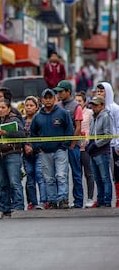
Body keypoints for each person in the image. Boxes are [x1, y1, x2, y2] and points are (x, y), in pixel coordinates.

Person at [30, 89, 74, 209]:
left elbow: (69, 130)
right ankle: (52, 201)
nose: (48, 100)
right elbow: (32, 134)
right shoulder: (37, 117)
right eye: (46, 98)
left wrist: (64, 145)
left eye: (50, 97)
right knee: (48, 178)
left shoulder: (63, 113)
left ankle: (63, 199)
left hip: (60, 151)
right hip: (44, 152)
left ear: (54, 99)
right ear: (42, 100)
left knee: (61, 175)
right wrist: (38, 147)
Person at [0, 99, 26, 215]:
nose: (0, 110)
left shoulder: (14, 120)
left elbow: (22, 134)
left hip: (12, 154)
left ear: (9, 109)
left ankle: (18, 206)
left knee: (15, 182)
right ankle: (4, 206)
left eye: (3, 107)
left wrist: (7, 133)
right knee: (2, 183)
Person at [54, 80, 84, 208]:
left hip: (73, 146)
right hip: (60, 146)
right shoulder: (58, 106)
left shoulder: (76, 106)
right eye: (58, 92)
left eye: (61, 91)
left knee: (76, 174)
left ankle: (78, 201)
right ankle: (62, 199)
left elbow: (78, 127)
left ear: (68, 92)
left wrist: (72, 143)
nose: (59, 94)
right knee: (61, 174)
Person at [86, 96, 113, 207]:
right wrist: (89, 144)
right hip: (93, 151)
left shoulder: (106, 116)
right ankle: (100, 199)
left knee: (105, 177)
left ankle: (107, 201)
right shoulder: (93, 117)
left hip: (102, 151)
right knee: (97, 178)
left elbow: (108, 135)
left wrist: (96, 144)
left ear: (102, 105)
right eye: (93, 105)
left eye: (96, 105)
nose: (94, 107)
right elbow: (92, 132)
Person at [96, 82, 119, 207]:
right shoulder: (97, 109)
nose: (99, 94)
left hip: (113, 146)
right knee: (103, 175)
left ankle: (117, 198)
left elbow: (118, 126)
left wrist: (118, 144)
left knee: (116, 173)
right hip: (101, 147)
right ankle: (103, 199)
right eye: (98, 92)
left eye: (102, 91)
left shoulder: (115, 108)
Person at [23, 96, 47, 210]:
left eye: (31, 105)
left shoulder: (40, 119)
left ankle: (43, 201)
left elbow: (43, 135)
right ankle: (32, 202)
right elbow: (19, 137)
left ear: (37, 107)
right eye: (26, 105)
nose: (28, 108)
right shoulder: (22, 121)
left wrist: (33, 146)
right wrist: (25, 146)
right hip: (26, 154)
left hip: (39, 152)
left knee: (40, 176)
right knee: (30, 178)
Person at [75, 91, 96, 208]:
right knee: (77, 175)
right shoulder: (73, 112)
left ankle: (90, 198)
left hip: (86, 148)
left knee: (89, 174)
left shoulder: (90, 113)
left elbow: (92, 129)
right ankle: (79, 199)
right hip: (76, 147)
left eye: (80, 101)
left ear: (85, 102)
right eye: (76, 101)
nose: (77, 103)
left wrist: (89, 141)